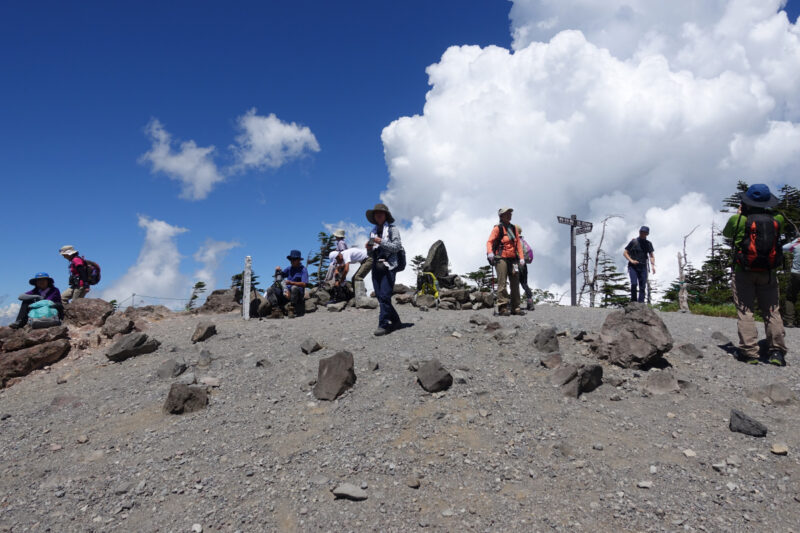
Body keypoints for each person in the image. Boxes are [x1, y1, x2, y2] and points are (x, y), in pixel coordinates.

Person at [722, 183, 787, 366]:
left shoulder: (739, 220)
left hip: (744, 271)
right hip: (768, 272)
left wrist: (739, 214)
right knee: (772, 311)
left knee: (746, 311)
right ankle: (777, 352)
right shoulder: (778, 219)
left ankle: (749, 352)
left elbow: (727, 234)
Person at [366, 203, 404, 336]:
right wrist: (369, 248)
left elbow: (397, 246)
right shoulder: (373, 232)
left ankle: (383, 324)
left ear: (386, 215)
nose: (378, 215)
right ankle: (396, 321)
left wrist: (380, 241)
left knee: (385, 295)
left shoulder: (393, 230)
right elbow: (370, 255)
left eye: (381, 213)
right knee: (380, 296)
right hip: (377, 266)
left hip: (389, 266)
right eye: (376, 213)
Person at [486, 207, 525, 316]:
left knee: (515, 283)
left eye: (510, 213)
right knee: (502, 282)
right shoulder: (497, 228)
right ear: (501, 216)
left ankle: (516, 307)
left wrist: (521, 258)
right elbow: (489, 242)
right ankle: (503, 307)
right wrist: (490, 253)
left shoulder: (513, 228)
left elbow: (518, 244)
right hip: (501, 258)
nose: (509, 215)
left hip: (513, 259)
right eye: (507, 213)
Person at [266, 250, 308, 318]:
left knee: (294, 287)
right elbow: (279, 277)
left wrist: (291, 283)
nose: (292, 261)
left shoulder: (303, 269)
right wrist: (277, 271)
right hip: (286, 292)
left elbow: (304, 284)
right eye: (291, 259)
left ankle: (291, 309)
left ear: (298, 260)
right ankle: (276, 311)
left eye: (294, 259)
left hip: (297, 294)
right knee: (270, 289)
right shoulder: (289, 268)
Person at [623, 226, 655, 303]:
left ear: (647, 234)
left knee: (642, 286)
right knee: (634, 284)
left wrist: (653, 266)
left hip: (643, 266)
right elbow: (625, 253)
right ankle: (633, 302)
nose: (642, 233)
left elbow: (651, 255)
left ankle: (641, 303)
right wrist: (631, 260)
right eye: (641, 232)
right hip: (633, 266)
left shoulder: (648, 244)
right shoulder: (634, 242)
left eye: (644, 232)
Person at [783, 236, 800, 328]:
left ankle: (789, 321)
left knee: (790, 297)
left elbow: (784, 248)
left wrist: (795, 240)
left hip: (796, 274)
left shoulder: (796, 245)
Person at [518, 226, 535, 311]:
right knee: (524, 284)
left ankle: (515, 303)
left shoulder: (516, 241)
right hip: (524, 264)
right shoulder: (524, 241)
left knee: (515, 283)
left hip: (516, 264)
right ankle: (530, 301)